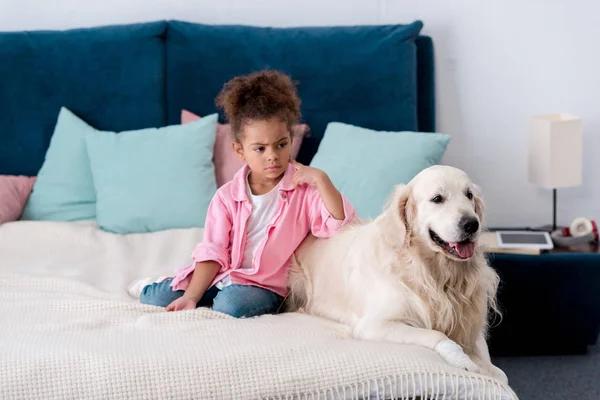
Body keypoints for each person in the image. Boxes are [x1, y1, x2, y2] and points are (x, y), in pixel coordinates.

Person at [129, 69, 356, 318]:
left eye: (281, 144)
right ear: (240, 150)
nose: (272, 155)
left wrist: (322, 180)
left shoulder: (305, 191)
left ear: (291, 139)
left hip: (264, 285)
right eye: (260, 148)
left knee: (231, 305)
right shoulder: (227, 197)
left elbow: (340, 226)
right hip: (220, 274)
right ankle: (163, 284)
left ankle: (215, 295)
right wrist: (192, 296)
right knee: (158, 298)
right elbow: (213, 249)